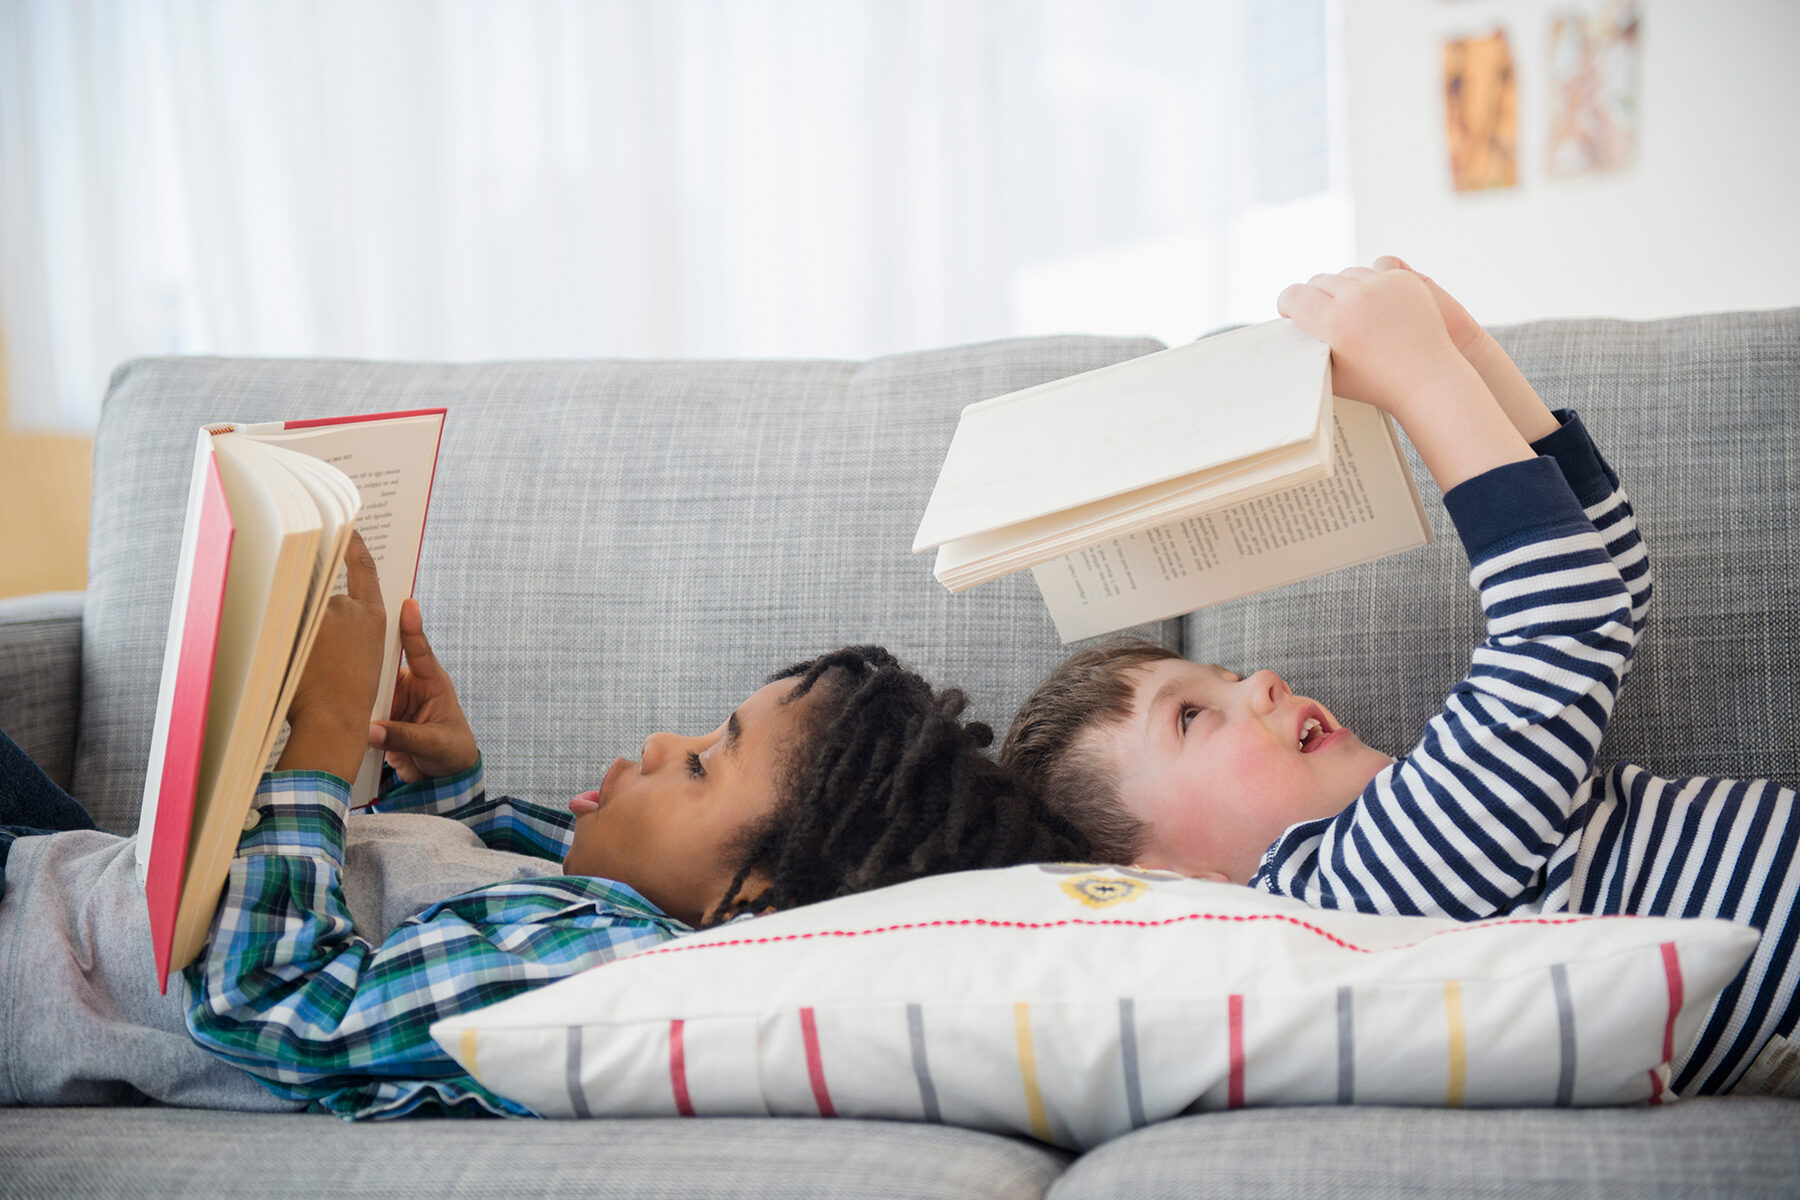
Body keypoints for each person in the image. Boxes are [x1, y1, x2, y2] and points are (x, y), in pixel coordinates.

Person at [1000, 258, 1799, 1098]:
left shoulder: (1401, 822)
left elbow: (1614, 596)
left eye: (1229, 675)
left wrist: (1465, 352)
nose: (1262, 681)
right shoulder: (1346, 903)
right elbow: (1563, 625)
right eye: (1193, 716)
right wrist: (1420, 378)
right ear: (1173, 884)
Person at [0, 535, 1089, 1116]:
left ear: (748, 909)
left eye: (705, 765)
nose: (663, 743)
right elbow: (451, 909)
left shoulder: (598, 978)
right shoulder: (605, 910)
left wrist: (322, 745)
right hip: (74, 870)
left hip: (29, 959)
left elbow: (281, 1005)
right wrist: (451, 789)